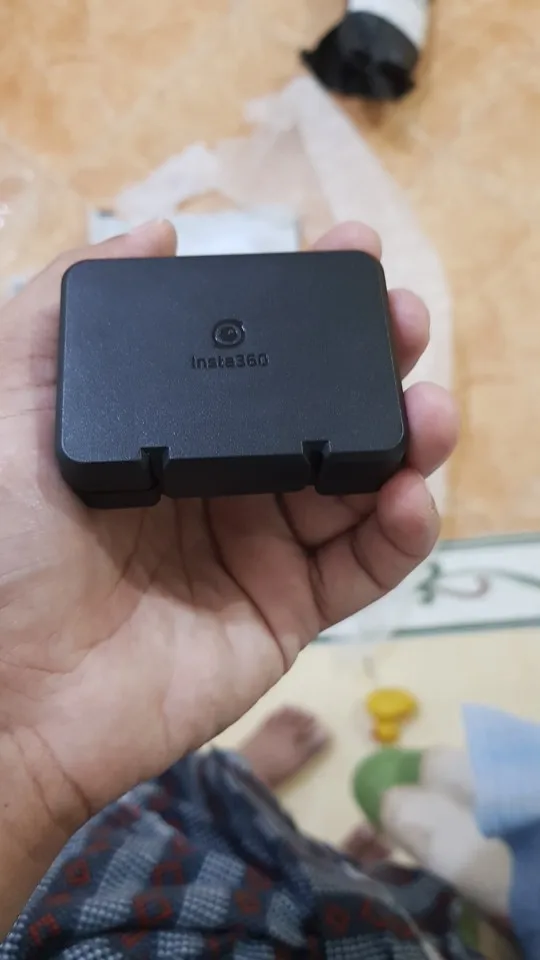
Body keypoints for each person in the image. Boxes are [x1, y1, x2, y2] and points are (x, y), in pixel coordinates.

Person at [0, 220, 467, 958]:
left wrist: (24, 757)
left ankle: (273, 823)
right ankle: (324, 868)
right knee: (353, 905)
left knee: (247, 844)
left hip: (103, 860)